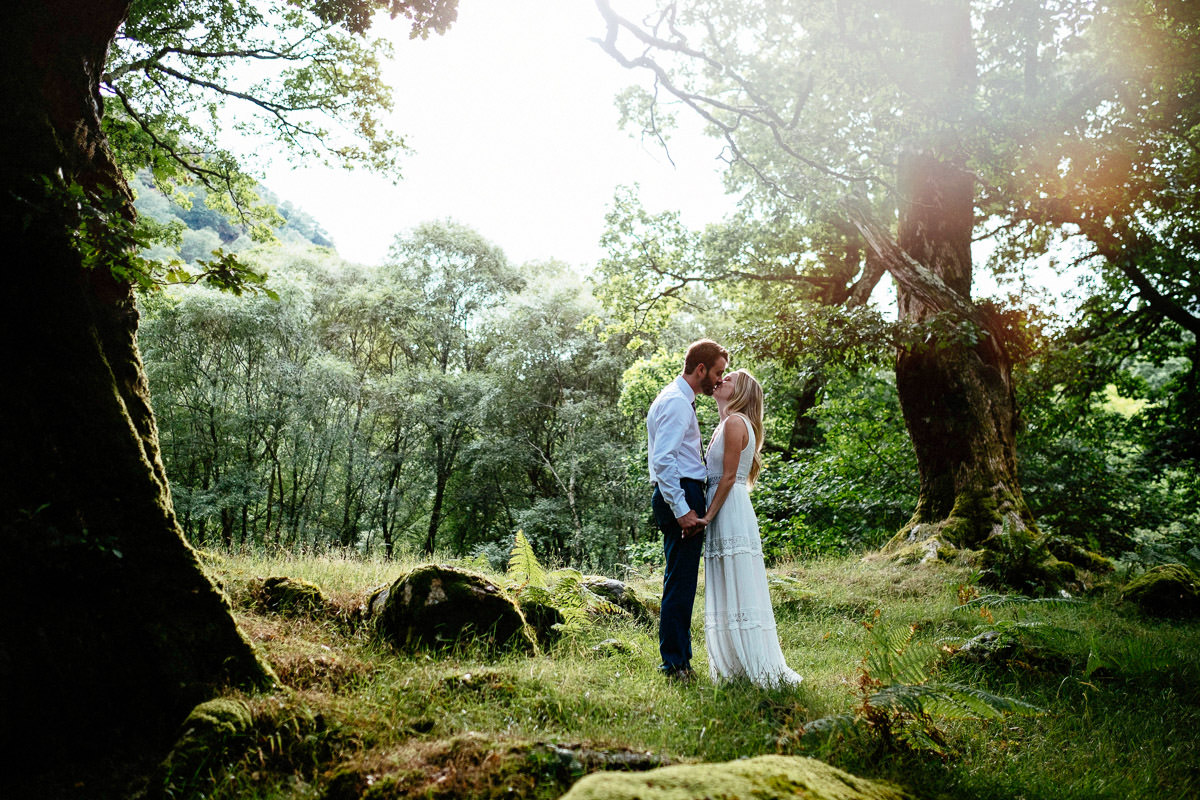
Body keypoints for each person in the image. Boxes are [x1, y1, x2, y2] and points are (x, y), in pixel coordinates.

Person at [699, 369, 802, 687]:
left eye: (728, 379)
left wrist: (708, 516)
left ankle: (750, 664)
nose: (721, 380)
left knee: (736, 578)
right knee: (727, 578)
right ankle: (735, 665)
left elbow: (729, 477)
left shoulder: (734, 423)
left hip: (728, 507)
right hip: (727, 505)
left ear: (740, 391)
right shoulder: (728, 422)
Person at [646, 339, 728, 681]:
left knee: (679, 580)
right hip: (680, 494)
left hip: (681, 492)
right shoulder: (677, 402)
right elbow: (663, 461)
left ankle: (678, 660)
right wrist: (681, 509)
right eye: (718, 373)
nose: (719, 380)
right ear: (701, 369)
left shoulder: (675, 398)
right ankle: (675, 664)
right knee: (681, 583)